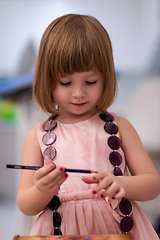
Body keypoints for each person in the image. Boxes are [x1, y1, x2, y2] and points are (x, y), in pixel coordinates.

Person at [17, 14, 160, 239]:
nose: (78, 93)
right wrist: (41, 191)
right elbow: (25, 204)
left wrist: (122, 183)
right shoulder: (37, 136)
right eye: (65, 83)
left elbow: (152, 184)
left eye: (90, 81)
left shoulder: (120, 127)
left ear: (106, 78)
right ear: (48, 80)